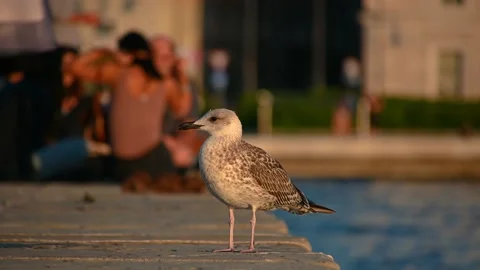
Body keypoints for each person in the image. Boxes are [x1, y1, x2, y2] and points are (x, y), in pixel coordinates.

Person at [71, 31, 191, 184]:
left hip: (122, 165)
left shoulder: (117, 74)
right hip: (154, 161)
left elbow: (75, 67)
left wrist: (103, 51)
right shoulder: (165, 84)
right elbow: (182, 110)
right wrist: (183, 77)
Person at [151, 35, 206, 173]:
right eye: (155, 55)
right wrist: (169, 143)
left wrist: (183, 80)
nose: (160, 61)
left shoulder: (184, 83)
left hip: (175, 139)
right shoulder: (145, 82)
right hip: (153, 141)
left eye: (165, 57)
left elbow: (188, 117)